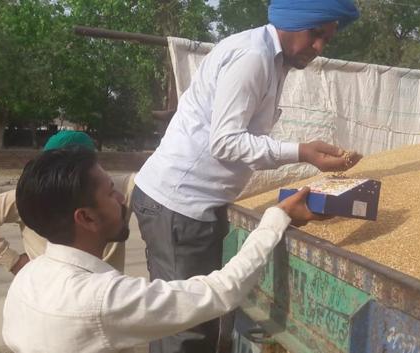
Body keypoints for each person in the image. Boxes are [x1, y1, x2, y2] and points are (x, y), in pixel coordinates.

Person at [132, 1, 361, 351]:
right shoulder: (252, 57)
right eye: (316, 34)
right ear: (293, 20)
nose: (319, 48)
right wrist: (302, 152)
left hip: (191, 205)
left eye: (326, 40)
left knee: (186, 320)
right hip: (179, 205)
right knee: (186, 328)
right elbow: (225, 143)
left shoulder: (274, 60)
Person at [2, 147, 321, 352]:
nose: (122, 200)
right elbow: (221, 292)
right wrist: (276, 217)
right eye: (111, 193)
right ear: (85, 217)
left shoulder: (27, 276)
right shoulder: (100, 299)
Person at [0, 131, 134, 273]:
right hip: (53, 286)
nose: (119, 199)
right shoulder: (37, 196)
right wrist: (13, 261)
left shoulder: (119, 188)